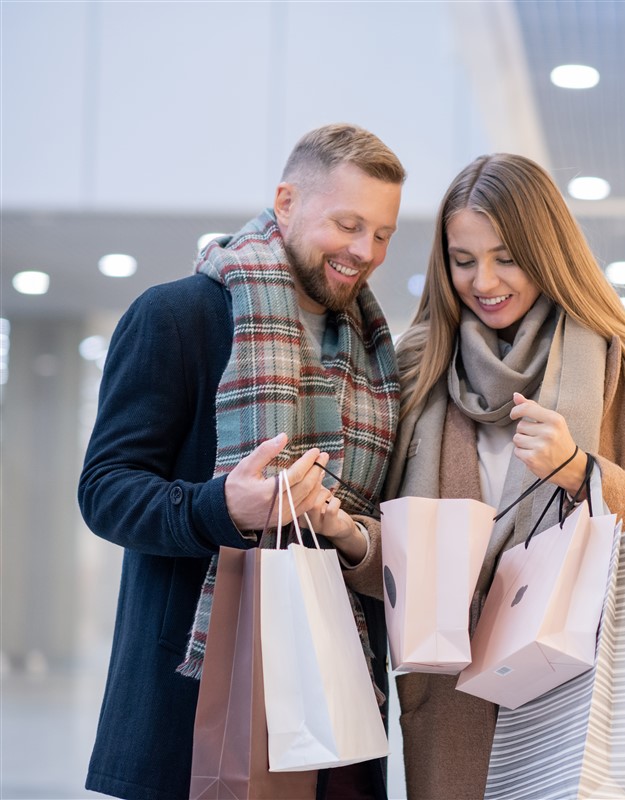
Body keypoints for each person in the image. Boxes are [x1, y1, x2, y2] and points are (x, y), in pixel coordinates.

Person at [323, 152, 625, 798]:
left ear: (548, 250)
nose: (484, 281)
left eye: (507, 256)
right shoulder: (417, 371)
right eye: (463, 258)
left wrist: (583, 472)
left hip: (593, 711)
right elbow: (405, 559)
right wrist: (354, 538)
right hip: (457, 713)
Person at [77, 123, 406, 800]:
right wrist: (223, 506)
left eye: (382, 234)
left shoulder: (380, 361)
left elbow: (381, 521)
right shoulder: (177, 317)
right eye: (347, 224)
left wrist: (348, 533)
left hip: (337, 699)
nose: (364, 251)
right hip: (195, 700)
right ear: (286, 202)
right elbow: (105, 490)